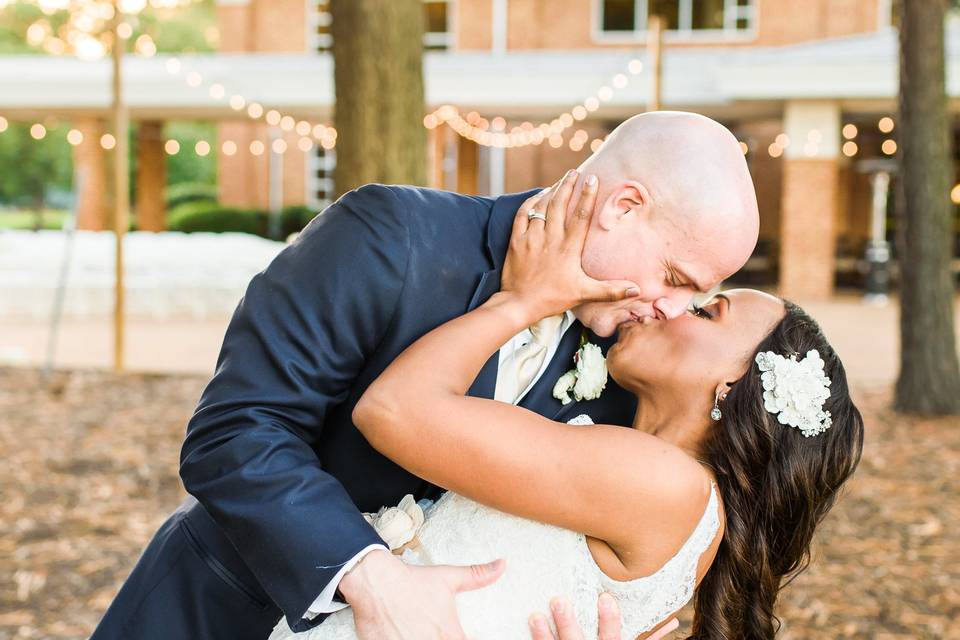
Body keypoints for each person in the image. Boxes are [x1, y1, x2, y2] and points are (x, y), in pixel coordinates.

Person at [90, 112, 760, 640]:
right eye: (674, 278)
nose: (670, 309)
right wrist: (371, 577)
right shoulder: (391, 237)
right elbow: (236, 432)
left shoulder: (625, 378)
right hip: (218, 615)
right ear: (622, 207)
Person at [268, 173, 864, 639]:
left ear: (731, 389)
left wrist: (520, 301)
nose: (675, 307)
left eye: (708, 310)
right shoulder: (654, 473)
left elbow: (394, 410)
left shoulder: (663, 484)